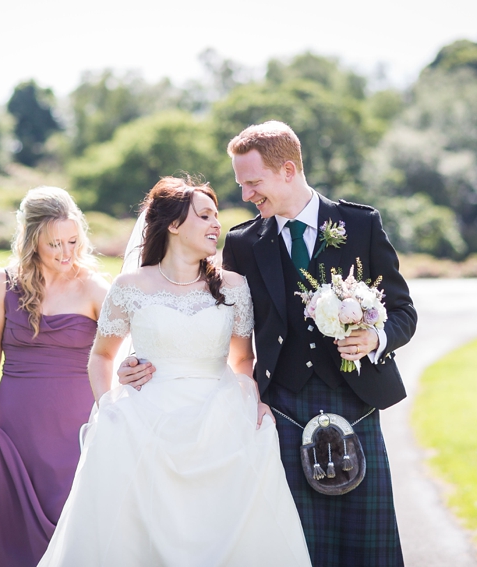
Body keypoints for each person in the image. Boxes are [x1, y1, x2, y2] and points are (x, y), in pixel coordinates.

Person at [37, 176, 311, 566]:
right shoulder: (130, 286)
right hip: (144, 424)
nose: (217, 224)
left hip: (220, 418)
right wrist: (107, 409)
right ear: (174, 224)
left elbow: (242, 359)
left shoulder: (233, 287)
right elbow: (101, 357)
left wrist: (250, 394)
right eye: (204, 215)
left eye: (216, 215)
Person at [220, 121, 417, 566]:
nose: (247, 195)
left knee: (367, 547)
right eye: (242, 185)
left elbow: (404, 311)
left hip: (357, 401)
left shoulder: (360, 224)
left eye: (253, 183)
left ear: (287, 170)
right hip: (284, 407)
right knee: (300, 546)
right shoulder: (243, 243)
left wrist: (376, 337)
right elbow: (219, 321)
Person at [0, 186, 108, 567]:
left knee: (71, 523)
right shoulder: (2, 284)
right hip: (15, 428)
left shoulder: (95, 288)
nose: (66, 253)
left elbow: (121, 353)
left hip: (75, 428)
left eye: (72, 241)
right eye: (54, 244)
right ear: (32, 241)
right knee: (10, 529)